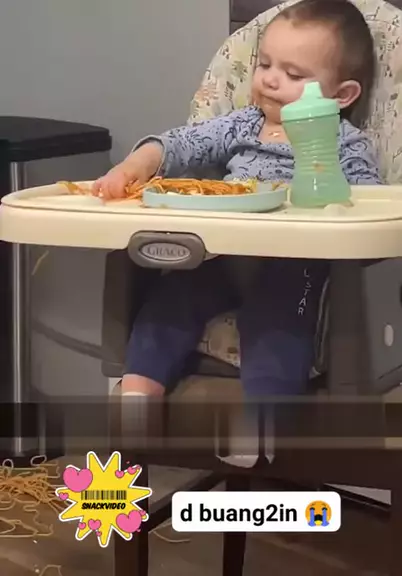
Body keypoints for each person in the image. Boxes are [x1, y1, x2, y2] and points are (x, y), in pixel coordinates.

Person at [94, 0, 382, 466]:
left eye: (293, 73)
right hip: (224, 256)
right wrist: (135, 166)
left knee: (275, 321)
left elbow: (369, 207)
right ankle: (138, 396)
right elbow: (183, 143)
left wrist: (330, 198)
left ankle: (259, 427)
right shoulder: (243, 125)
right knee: (171, 299)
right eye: (264, 65)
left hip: (294, 263)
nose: (270, 80)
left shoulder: (343, 144)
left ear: (342, 95)